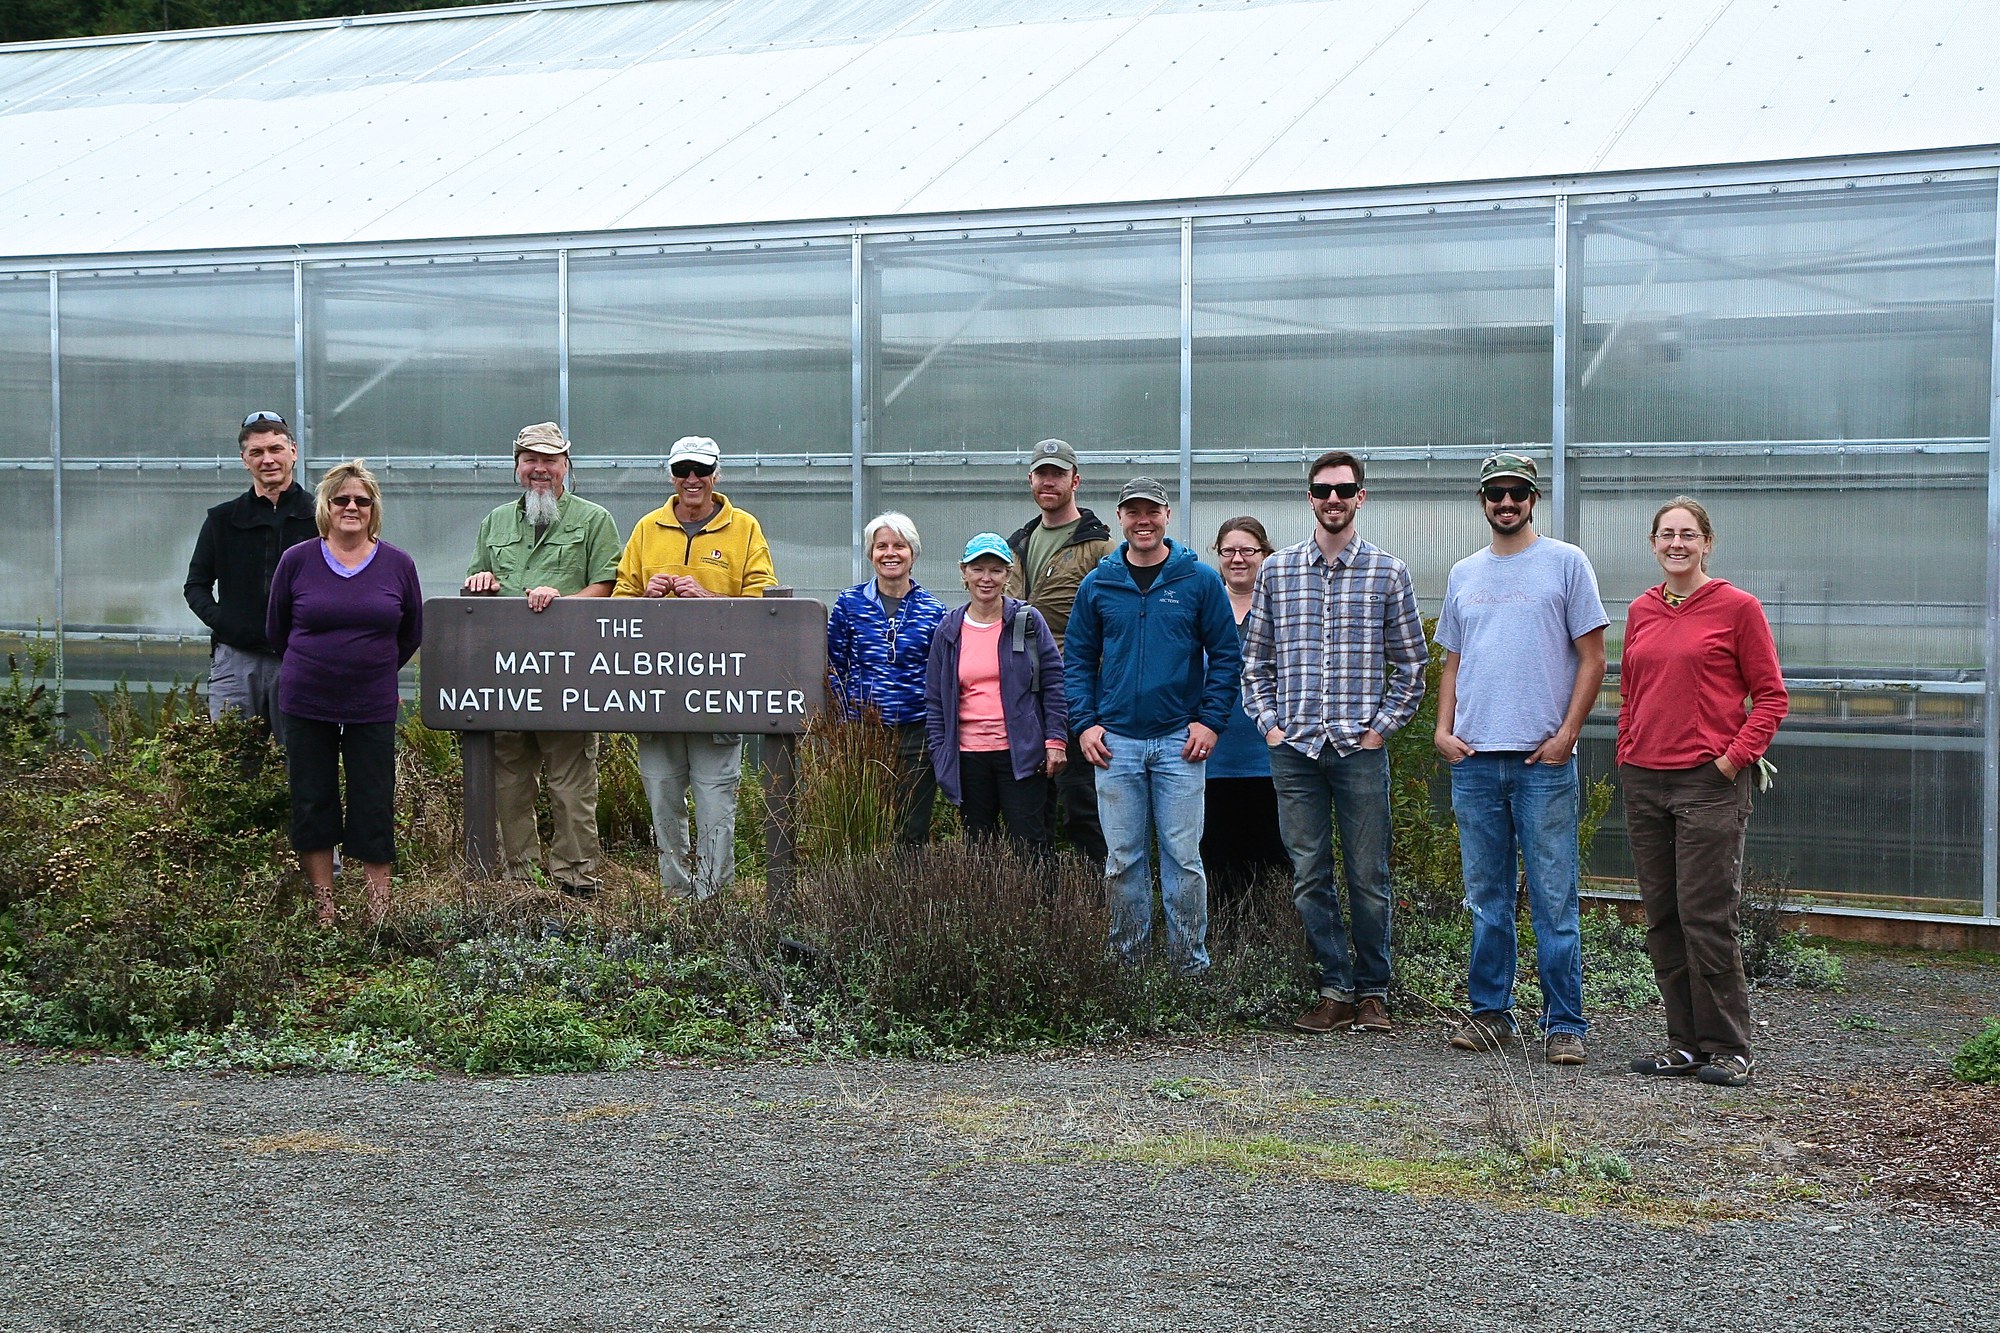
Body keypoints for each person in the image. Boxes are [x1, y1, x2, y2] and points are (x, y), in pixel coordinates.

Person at [1242, 454, 1427, 1036]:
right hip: (1294, 748)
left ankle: (1373, 991)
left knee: (1368, 875)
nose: (1333, 498)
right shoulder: (1278, 572)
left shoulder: (1387, 572)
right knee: (1308, 872)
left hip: (1358, 750)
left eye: (1344, 490)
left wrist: (1380, 729)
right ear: (1310, 497)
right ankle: (1334, 987)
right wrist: (1271, 726)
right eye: (1323, 489)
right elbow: (1256, 663)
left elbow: (1413, 667)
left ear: (1361, 497)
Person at [1435, 453, 1608, 1065]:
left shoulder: (1565, 563)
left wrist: (1567, 734)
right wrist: (1442, 729)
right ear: (1482, 500)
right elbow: (1453, 659)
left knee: (1554, 897)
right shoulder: (1464, 573)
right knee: (1487, 896)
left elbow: (1593, 657)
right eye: (1495, 494)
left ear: (1533, 499)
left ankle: (1564, 1023)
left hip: (1543, 762)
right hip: (1476, 760)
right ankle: (1490, 1014)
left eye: (1517, 493)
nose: (1506, 503)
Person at [1619, 497, 1788, 1089]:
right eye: (1666, 535)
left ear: (1707, 543)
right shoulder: (1641, 610)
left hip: (1708, 784)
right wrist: (1627, 748)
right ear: (1653, 543)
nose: (1677, 544)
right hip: (1644, 779)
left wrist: (1731, 762)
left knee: (1706, 915)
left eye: (1688, 534)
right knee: (1662, 917)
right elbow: (1631, 693)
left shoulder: (1738, 608)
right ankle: (1683, 1044)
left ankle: (1727, 1046)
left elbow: (1771, 697)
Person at [1065, 477, 1240, 975]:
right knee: (1122, 860)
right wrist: (1085, 725)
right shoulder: (1099, 583)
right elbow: (1076, 659)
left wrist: (1209, 722)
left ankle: (1189, 969)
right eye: (1133, 511)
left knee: (1183, 860)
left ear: (1166, 516)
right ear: (1120, 518)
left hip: (1179, 745)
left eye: (1152, 511)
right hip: (1115, 743)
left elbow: (1226, 656)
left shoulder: (1198, 580)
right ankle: (1129, 970)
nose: (1143, 520)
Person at [612, 435, 776, 899]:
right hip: (655, 691)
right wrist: (645, 597)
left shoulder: (744, 528)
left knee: (715, 804)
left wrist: (710, 599)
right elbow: (618, 600)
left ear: (716, 474)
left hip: (719, 690)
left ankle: (712, 903)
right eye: (683, 470)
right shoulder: (647, 528)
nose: (692, 479)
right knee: (663, 801)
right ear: (671, 475)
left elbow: (766, 600)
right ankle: (675, 898)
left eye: (700, 470)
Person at [462, 422, 622, 896]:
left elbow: (609, 587)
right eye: (530, 459)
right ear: (517, 467)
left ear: (565, 467)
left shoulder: (594, 520)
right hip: (507, 674)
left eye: (550, 460)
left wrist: (565, 599)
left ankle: (575, 881)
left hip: (570, 675)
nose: (540, 469)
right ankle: (522, 882)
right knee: (510, 784)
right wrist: (481, 585)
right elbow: (475, 581)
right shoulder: (493, 523)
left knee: (572, 786)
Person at [266, 460, 423, 927]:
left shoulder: (398, 564)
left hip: (371, 703)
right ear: (325, 507)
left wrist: (372, 672)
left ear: (374, 508)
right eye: (341, 500)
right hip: (307, 700)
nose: (351, 507)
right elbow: (278, 630)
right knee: (313, 799)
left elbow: (411, 631)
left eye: (362, 500)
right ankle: (325, 912)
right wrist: (319, 664)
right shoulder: (297, 560)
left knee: (374, 800)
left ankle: (378, 913)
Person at [1004, 438, 1114, 865]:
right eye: (1041, 474)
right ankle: (1043, 907)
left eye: (1058, 474)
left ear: (1075, 480)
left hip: (1076, 694)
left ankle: (1101, 902)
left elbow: (1114, 626)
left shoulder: (1101, 550)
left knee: (1083, 802)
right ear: (1030, 480)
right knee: (1031, 806)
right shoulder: (1016, 546)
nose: (1049, 481)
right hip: (1021, 697)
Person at [924, 534, 1067, 854]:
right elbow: (935, 699)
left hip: (1023, 754)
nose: (986, 578)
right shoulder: (949, 629)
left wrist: (1055, 740)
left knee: (1031, 846)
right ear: (964, 572)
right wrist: (939, 752)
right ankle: (986, 906)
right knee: (980, 850)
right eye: (977, 568)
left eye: (996, 569)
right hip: (969, 758)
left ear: (1008, 574)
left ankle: (1037, 904)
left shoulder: (1027, 621)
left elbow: (1054, 682)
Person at [184, 411, 319, 744]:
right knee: (234, 762)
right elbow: (196, 585)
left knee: (303, 760)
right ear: (244, 460)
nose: (268, 459)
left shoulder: (321, 516)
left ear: (294, 452)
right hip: (236, 661)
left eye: (275, 449)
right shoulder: (223, 520)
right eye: (256, 452)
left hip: (300, 658)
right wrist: (226, 622)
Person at [827, 512, 950, 846]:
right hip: (863, 731)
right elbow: (833, 665)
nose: (890, 553)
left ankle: (907, 892)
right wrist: (843, 720)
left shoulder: (932, 610)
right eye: (881, 546)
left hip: (917, 732)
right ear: (870, 554)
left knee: (912, 825)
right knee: (868, 820)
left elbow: (940, 675)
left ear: (913, 553)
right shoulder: (849, 603)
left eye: (899, 545)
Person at [1200, 516, 1289, 908]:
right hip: (1211, 761)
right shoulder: (1202, 608)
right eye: (1228, 551)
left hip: (1271, 759)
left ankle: (1273, 956)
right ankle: (1224, 958)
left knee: (1273, 862)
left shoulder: (1283, 610)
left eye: (1248, 551)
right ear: (1218, 556)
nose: (1238, 559)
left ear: (1264, 555)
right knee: (1218, 866)